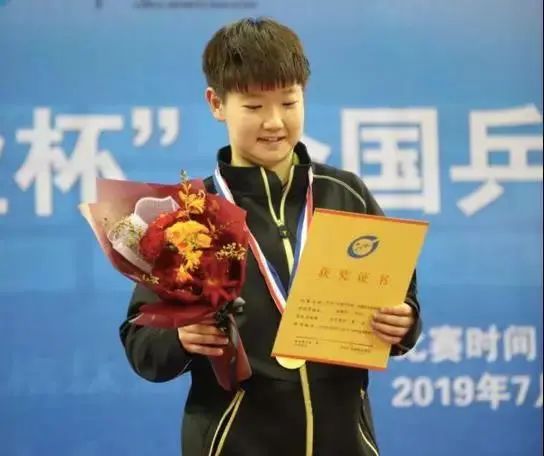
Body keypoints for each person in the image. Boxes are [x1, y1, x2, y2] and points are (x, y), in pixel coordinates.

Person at [120, 17, 422, 456]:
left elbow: (401, 296)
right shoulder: (192, 216)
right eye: (254, 106)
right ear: (217, 103)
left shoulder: (346, 193)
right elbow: (141, 342)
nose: (275, 122)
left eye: (288, 102)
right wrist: (179, 338)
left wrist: (404, 323)